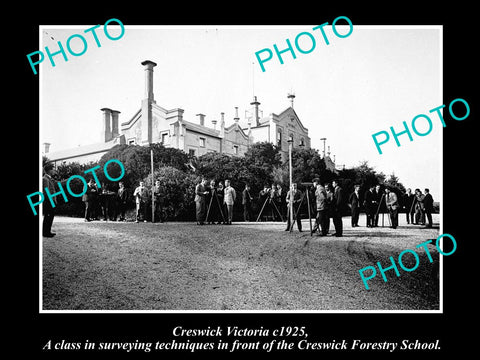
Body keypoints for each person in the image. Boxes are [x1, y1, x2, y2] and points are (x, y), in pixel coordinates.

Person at [42, 166, 57, 237]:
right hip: (48, 201)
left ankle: (47, 231)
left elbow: (57, 183)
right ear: (49, 170)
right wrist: (52, 201)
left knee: (49, 216)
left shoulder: (49, 179)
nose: (54, 171)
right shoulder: (45, 179)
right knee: (48, 216)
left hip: (50, 200)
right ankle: (46, 232)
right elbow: (46, 191)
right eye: (53, 170)